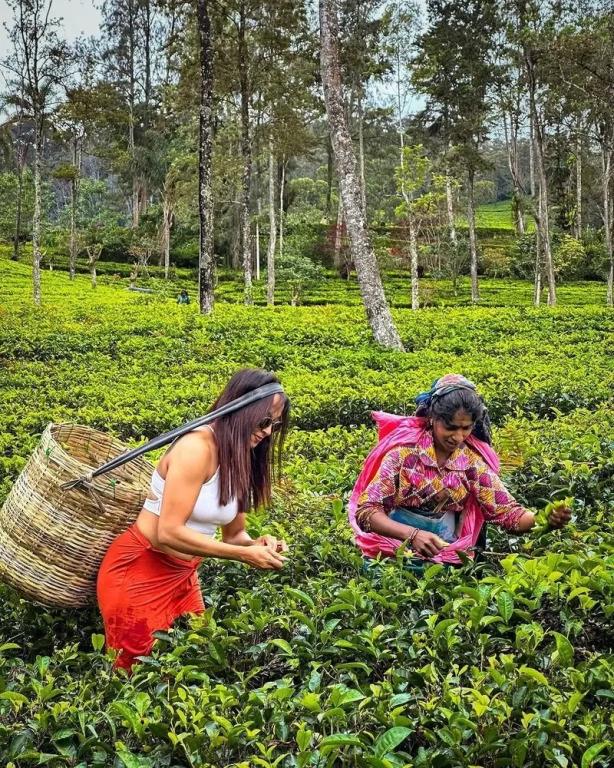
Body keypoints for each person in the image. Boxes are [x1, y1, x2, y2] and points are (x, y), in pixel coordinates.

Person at [97, 368, 290, 671]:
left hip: (184, 576)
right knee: (136, 674)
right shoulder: (196, 448)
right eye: (264, 421)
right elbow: (168, 532)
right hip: (139, 570)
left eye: (274, 425)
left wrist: (257, 545)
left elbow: (234, 535)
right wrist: (242, 555)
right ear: (240, 409)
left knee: (201, 658)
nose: (267, 432)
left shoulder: (241, 454)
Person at [348, 374, 571, 567]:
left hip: (444, 561)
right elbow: (367, 511)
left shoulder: (472, 465)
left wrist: (544, 518)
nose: (458, 437)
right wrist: (412, 535)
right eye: (451, 427)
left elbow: (509, 514)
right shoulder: (403, 456)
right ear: (433, 419)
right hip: (388, 558)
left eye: (466, 428)